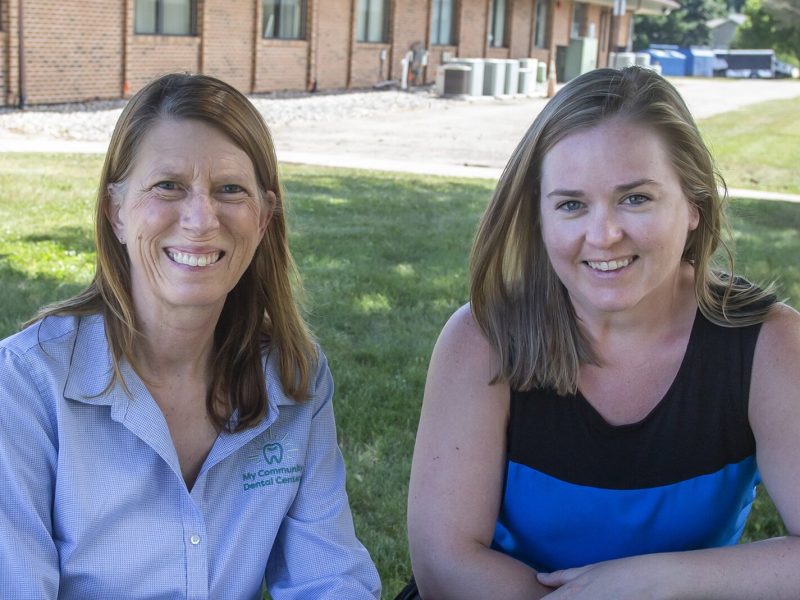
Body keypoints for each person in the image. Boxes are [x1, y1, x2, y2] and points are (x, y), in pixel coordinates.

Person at [407, 66, 800, 599]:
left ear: (694, 206)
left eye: (635, 198)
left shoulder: (769, 346)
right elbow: (445, 566)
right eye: (571, 204)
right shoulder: (482, 341)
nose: (603, 235)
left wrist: (656, 581)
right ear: (539, 218)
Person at [0, 73, 381, 599]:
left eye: (230, 189)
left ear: (265, 217)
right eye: (168, 186)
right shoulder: (26, 383)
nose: (201, 220)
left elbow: (330, 578)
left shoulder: (294, 379)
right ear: (115, 210)